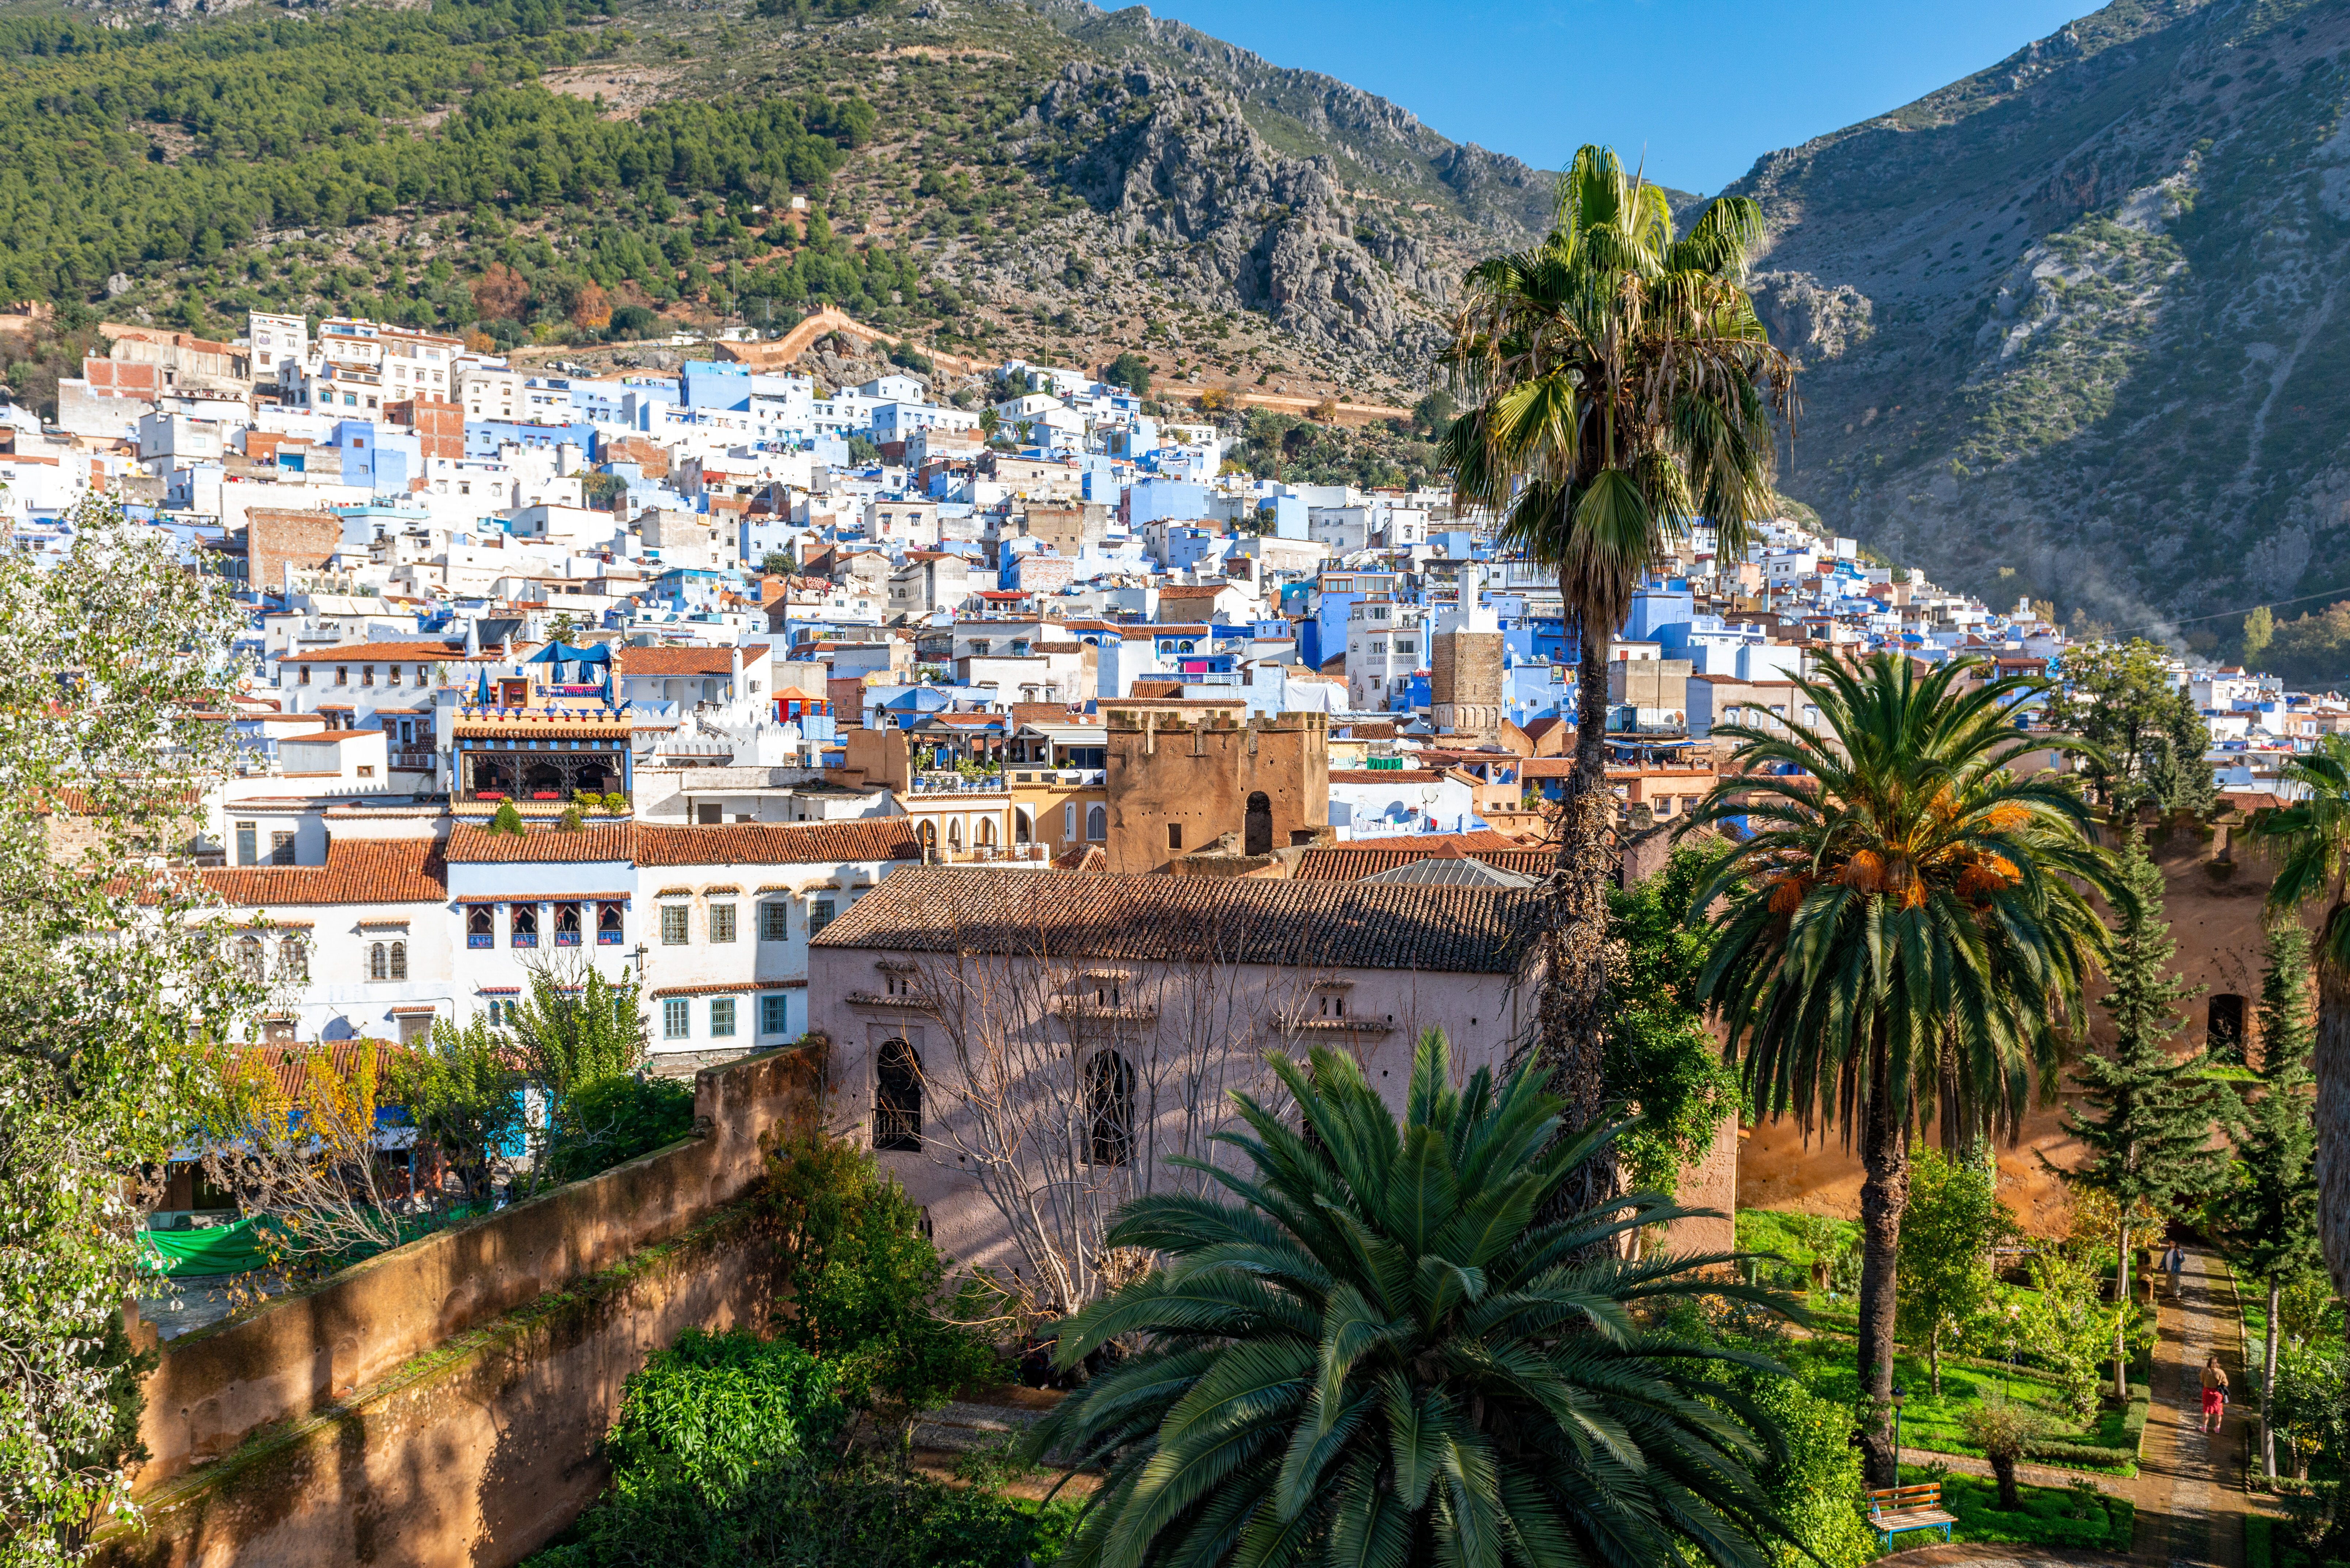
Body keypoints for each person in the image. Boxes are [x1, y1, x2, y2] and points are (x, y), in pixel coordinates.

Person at [2200, 1354, 2229, 1434]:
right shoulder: (2221, 1372)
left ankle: (2204, 1427)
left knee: (2206, 1410)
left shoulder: (2204, 1370)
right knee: (2218, 1411)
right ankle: (2218, 1428)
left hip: (2207, 1392)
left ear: (2208, 1362)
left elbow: (2202, 1380)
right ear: (2217, 1363)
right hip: (2218, 1394)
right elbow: (2226, 1384)